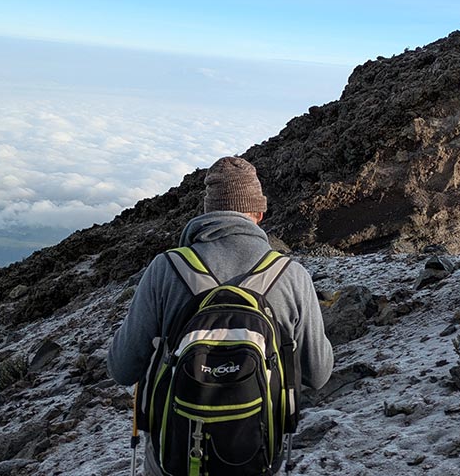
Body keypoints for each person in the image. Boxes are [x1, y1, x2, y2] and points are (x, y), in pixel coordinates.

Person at [107, 155, 334, 475]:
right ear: (259, 212)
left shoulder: (166, 269)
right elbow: (318, 373)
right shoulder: (291, 275)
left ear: (207, 211)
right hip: (256, 456)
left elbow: (122, 368)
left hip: (174, 459)